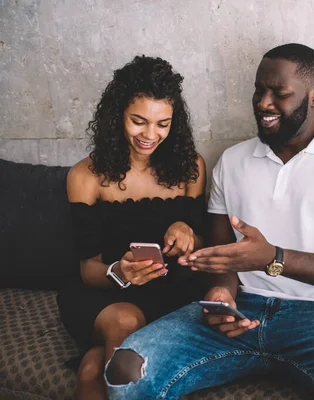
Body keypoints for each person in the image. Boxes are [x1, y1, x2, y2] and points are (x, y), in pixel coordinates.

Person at [105, 43, 314, 400]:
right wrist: (221, 294)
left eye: (280, 93)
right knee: (126, 371)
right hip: (242, 309)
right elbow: (220, 255)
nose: (263, 102)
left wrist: (273, 258)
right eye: (259, 89)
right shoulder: (232, 162)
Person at [57, 55, 209, 400]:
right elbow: (87, 270)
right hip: (104, 294)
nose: (150, 135)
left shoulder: (191, 168)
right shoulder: (86, 176)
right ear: (117, 117)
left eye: (163, 124)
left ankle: (96, 360)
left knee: (93, 372)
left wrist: (187, 231)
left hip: (172, 292)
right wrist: (121, 273)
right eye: (138, 121)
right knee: (125, 321)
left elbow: (201, 244)